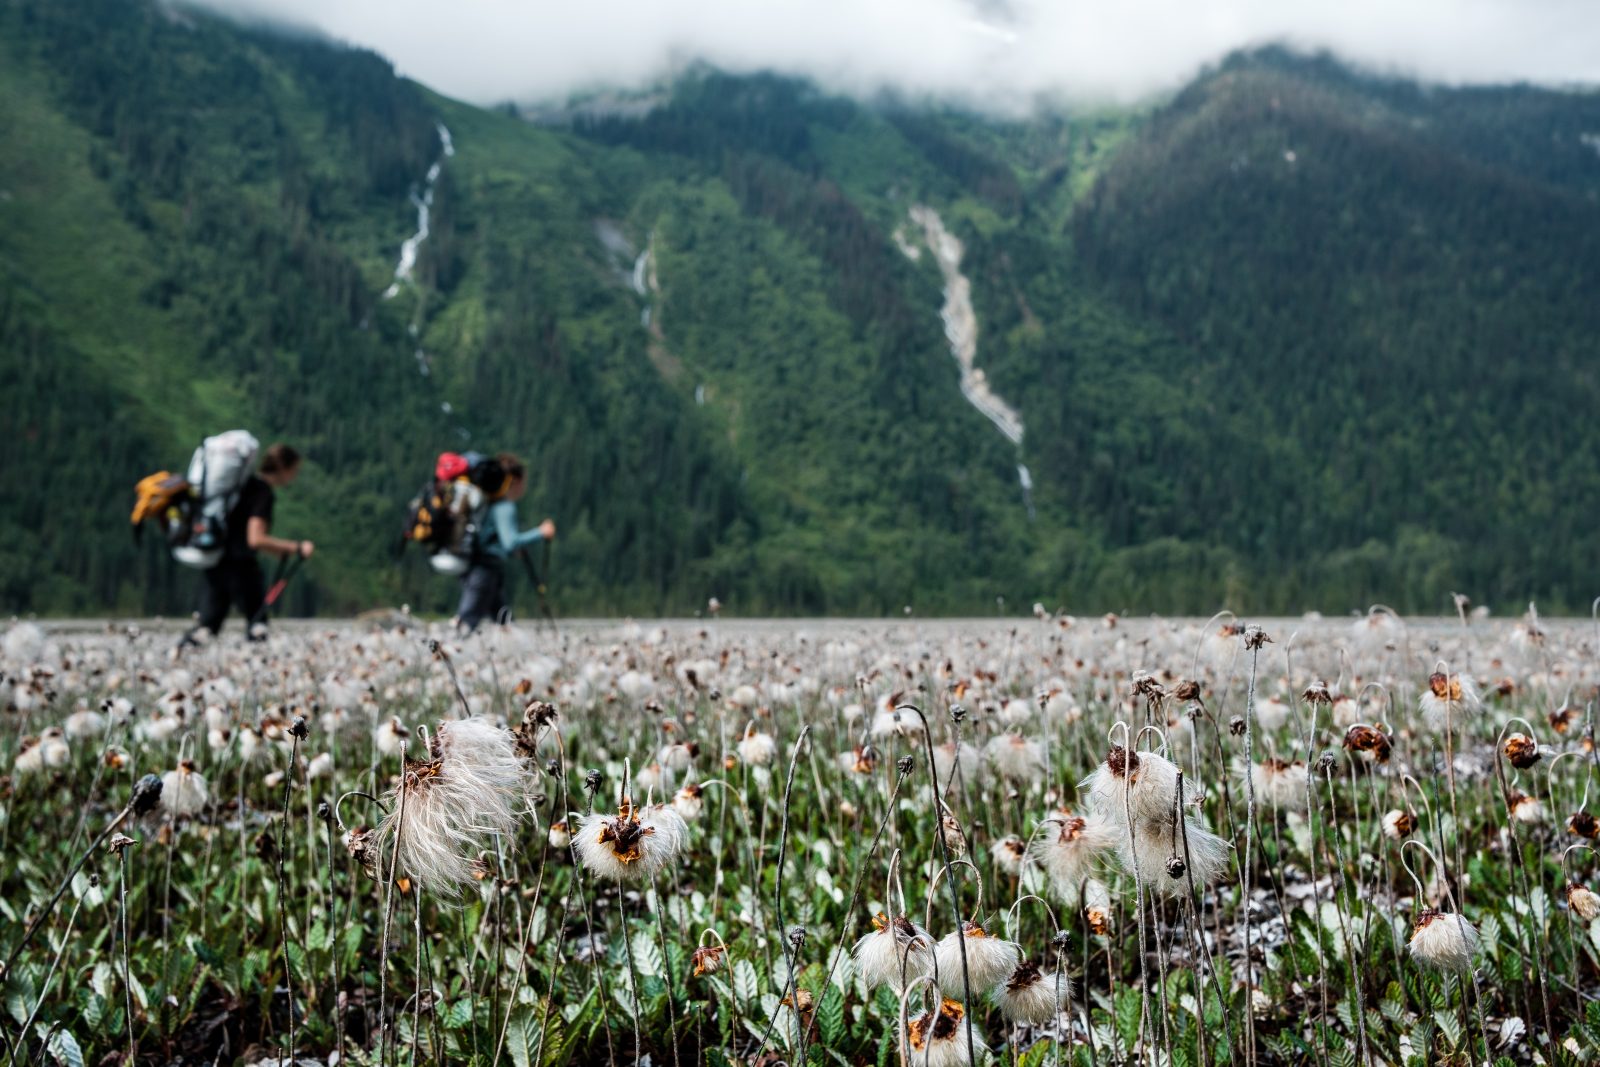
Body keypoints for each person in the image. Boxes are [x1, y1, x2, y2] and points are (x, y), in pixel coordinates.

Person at [185, 444, 314, 644]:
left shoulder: (242, 486)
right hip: (241, 566)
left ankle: (181, 654)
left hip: (217, 561)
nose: (295, 476)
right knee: (257, 624)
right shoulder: (262, 492)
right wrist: (296, 548)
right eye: (294, 470)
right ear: (283, 468)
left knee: (207, 626)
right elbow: (255, 539)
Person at [456, 453, 555, 632]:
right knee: (467, 621)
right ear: (515, 481)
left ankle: (513, 645)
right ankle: (445, 647)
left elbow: (497, 540)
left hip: (484, 568)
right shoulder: (504, 507)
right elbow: (510, 543)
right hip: (484, 570)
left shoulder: (490, 504)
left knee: (504, 620)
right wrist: (540, 532)